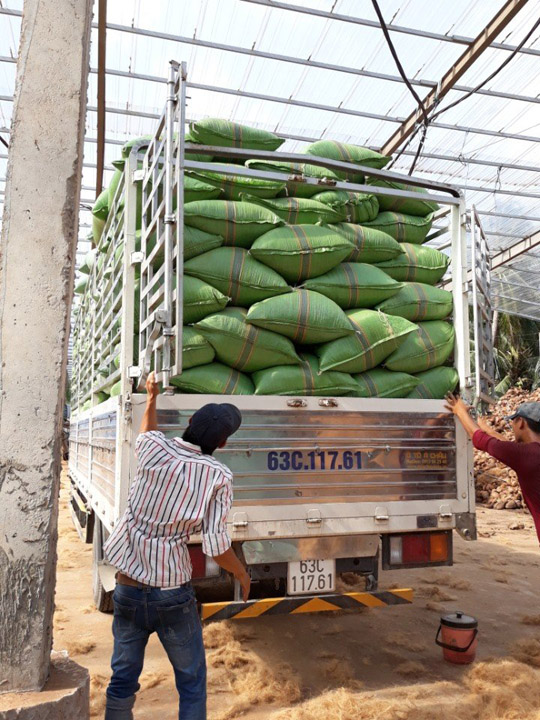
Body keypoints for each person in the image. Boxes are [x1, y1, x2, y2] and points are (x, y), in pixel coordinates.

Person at [103, 372, 251, 720]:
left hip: (126, 588)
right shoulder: (218, 475)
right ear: (224, 443)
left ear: (188, 423)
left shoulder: (154, 448)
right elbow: (216, 546)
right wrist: (242, 574)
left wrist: (152, 398)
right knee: (191, 683)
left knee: (122, 681)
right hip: (173, 596)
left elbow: (147, 430)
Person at [445, 394, 540, 543]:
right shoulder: (529, 455)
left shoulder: (526, 455)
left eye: (513, 422)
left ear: (520, 422)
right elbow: (508, 448)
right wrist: (487, 429)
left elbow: (479, 440)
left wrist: (459, 410)